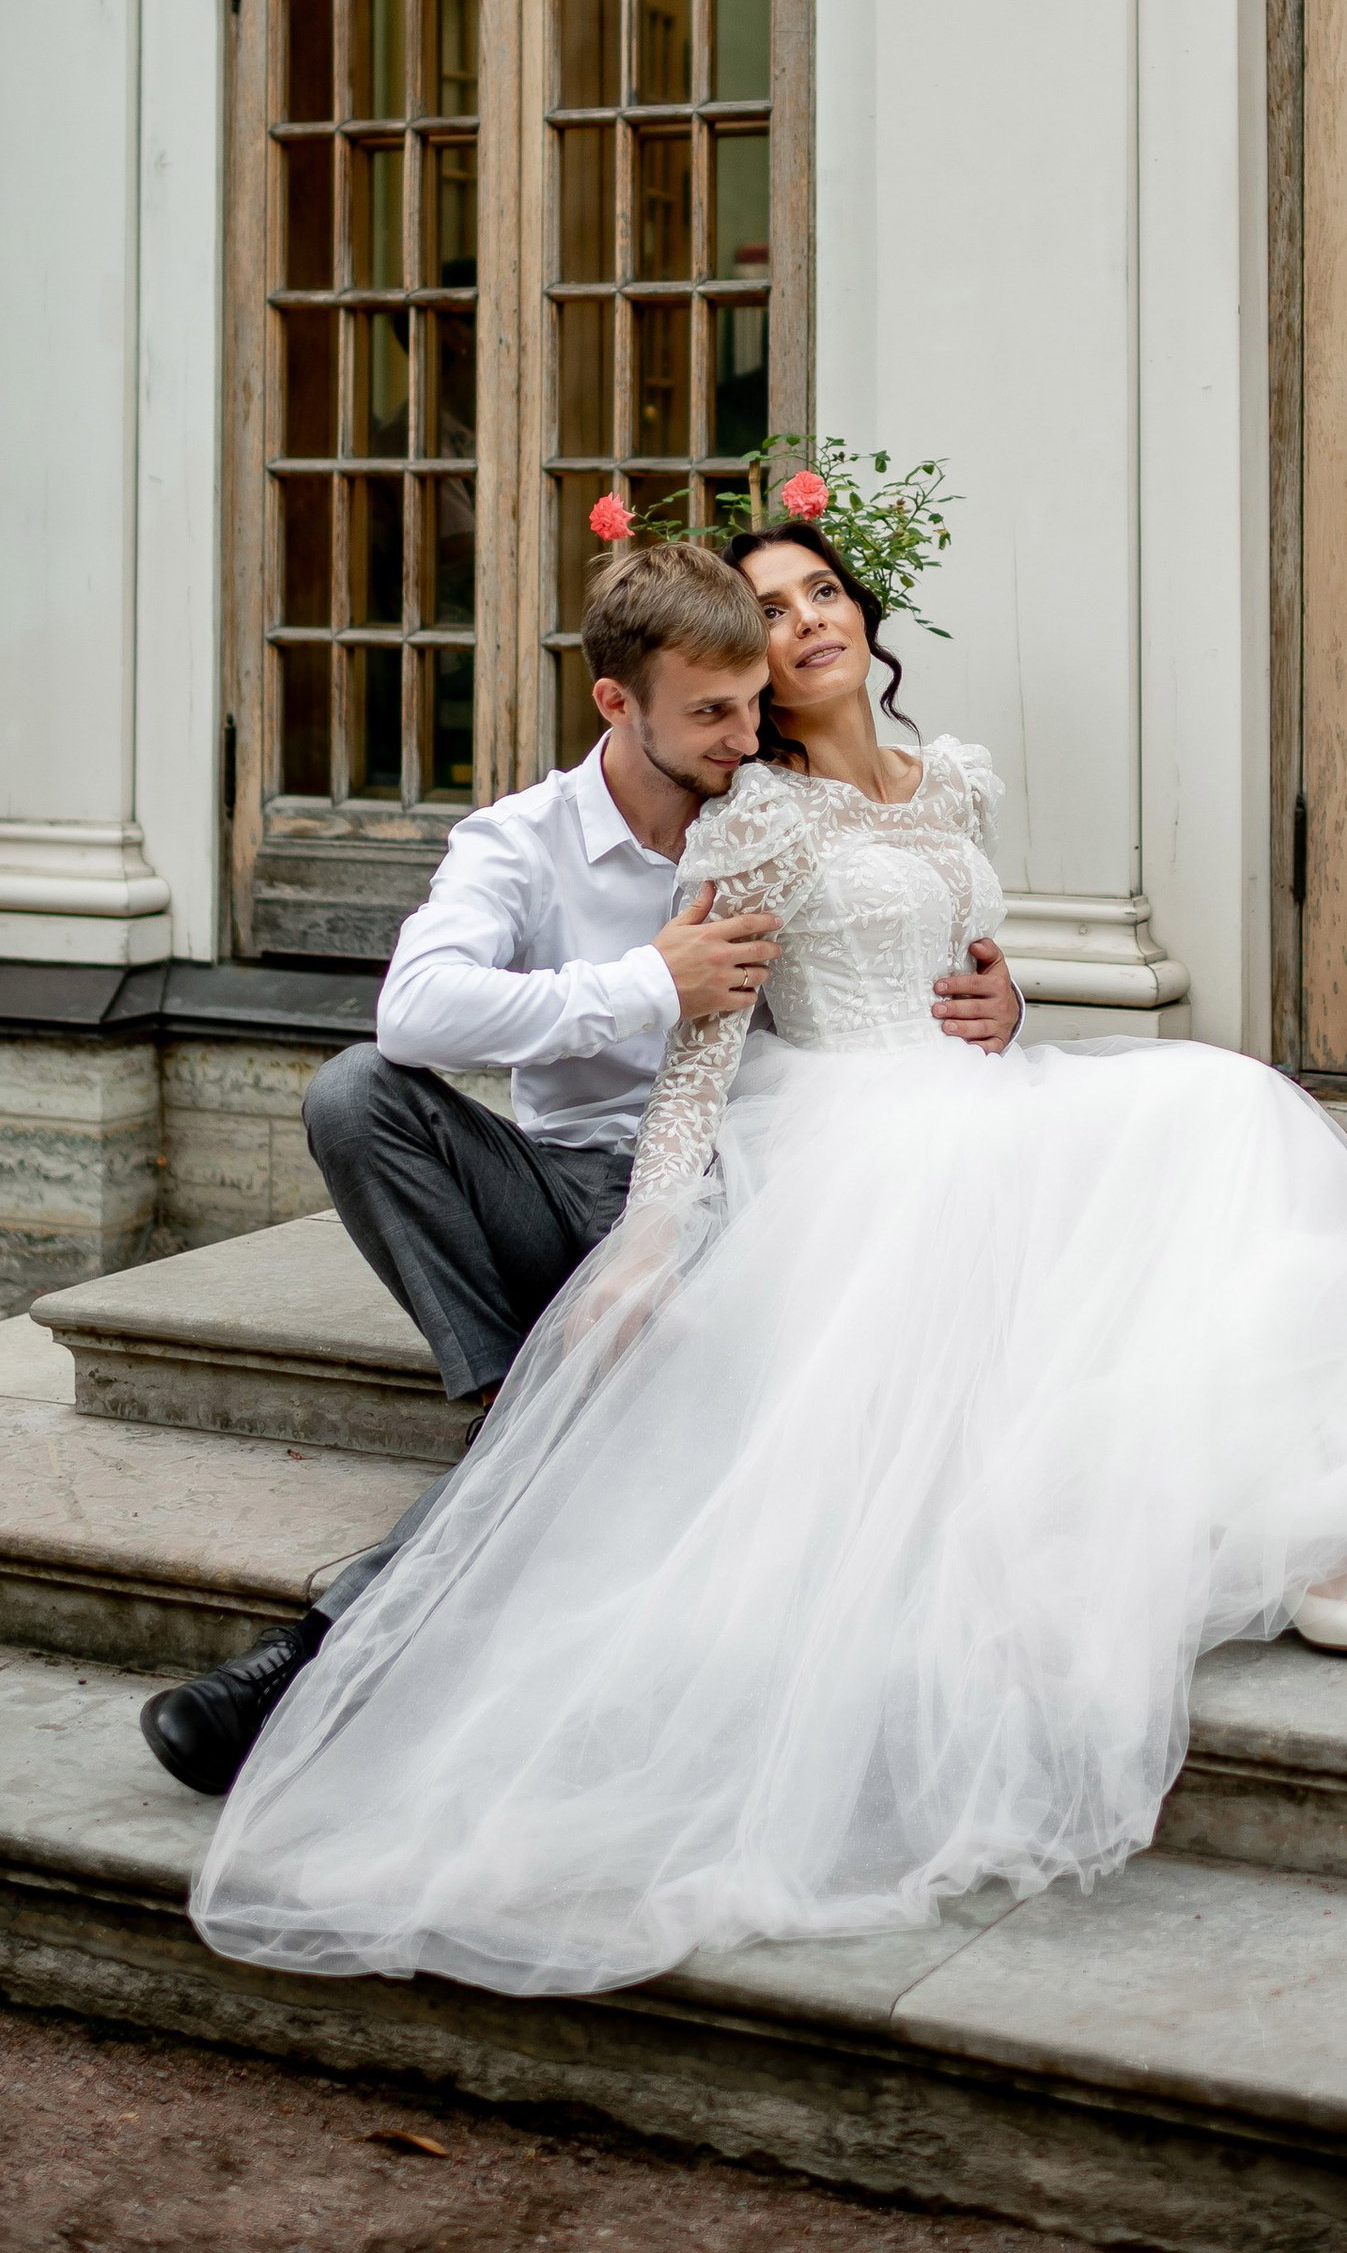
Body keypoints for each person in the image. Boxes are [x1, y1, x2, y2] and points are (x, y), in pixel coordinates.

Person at [186, 516, 1347, 1997]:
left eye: (820, 595)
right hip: (838, 1153)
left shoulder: (949, 778)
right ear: (707, 680)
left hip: (972, 1104)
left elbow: (971, 963)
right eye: (765, 617)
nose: (796, 634)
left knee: (1211, 1129)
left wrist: (999, 1000)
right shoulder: (741, 816)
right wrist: (663, 1231)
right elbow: (696, 1052)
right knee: (1132, 1202)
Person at [139, 537, 1018, 1794]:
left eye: (750, 703)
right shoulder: (525, 837)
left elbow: (887, 967)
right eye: (709, 712)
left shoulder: (770, 808)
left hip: (737, 1196)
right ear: (618, 703)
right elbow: (415, 1011)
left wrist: (1001, 997)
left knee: (644, 1339)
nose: (740, 729)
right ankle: (512, 1390)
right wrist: (640, 983)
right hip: (557, 1184)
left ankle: (303, 1664)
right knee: (355, 1094)